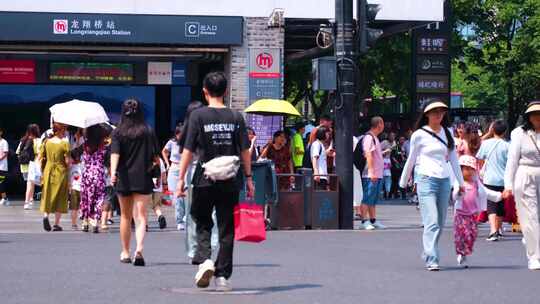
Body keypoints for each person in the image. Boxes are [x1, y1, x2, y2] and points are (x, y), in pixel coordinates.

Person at [175, 72, 254, 292]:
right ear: (226, 91)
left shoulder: (198, 116)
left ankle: (205, 260)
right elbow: (245, 151)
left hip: (204, 178)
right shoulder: (236, 117)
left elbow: (188, 151)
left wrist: (180, 179)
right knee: (227, 228)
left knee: (201, 220)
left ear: (205, 91)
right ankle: (222, 277)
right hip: (230, 179)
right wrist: (249, 178)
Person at [399, 100, 464, 271]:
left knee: (441, 222)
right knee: (432, 220)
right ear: (426, 114)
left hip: (444, 180)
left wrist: (460, 182)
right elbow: (411, 158)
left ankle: (428, 250)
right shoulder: (419, 134)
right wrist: (404, 180)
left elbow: (454, 160)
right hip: (425, 179)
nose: (438, 115)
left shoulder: (448, 132)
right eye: (434, 112)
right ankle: (432, 258)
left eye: (441, 112)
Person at [111, 98, 160, 267]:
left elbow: (115, 154)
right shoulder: (148, 131)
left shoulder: (118, 132)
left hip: (124, 177)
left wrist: (113, 172)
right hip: (143, 177)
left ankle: (125, 252)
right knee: (141, 216)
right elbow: (156, 157)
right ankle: (139, 249)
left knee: (125, 216)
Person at [503, 101, 540, 270]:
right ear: (528, 116)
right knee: (530, 217)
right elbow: (512, 160)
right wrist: (508, 185)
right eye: (534, 114)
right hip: (525, 174)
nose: (537, 117)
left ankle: (531, 238)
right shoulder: (518, 133)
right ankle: (535, 257)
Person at [452, 155, 502, 268]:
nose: (469, 172)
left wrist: (499, 196)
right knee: (460, 235)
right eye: (466, 169)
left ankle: (465, 251)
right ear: (460, 170)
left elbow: (487, 193)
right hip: (460, 213)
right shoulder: (459, 183)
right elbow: (454, 196)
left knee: (472, 235)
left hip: (472, 214)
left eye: (471, 169)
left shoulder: (476, 183)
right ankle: (460, 252)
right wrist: (458, 192)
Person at [476, 119, 509, 241]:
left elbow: (479, 157)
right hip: (504, 180)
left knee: (491, 205)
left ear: (492, 129)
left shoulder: (486, 144)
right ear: (505, 131)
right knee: (500, 205)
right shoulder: (508, 145)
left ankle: (493, 231)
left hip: (489, 179)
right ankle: (498, 230)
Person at [39, 122, 71, 231]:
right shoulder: (64, 143)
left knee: (48, 193)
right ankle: (56, 224)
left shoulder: (47, 142)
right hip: (60, 171)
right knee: (60, 196)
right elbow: (67, 162)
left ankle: (45, 216)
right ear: (61, 130)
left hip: (48, 170)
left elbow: (41, 157)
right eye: (65, 129)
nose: (66, 131)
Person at [80, 124, 108, 234]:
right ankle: (96, 221)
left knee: (86, 198)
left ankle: (85, 222)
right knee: (99, 198)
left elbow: (77, 157)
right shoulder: (103, 147)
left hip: (87, 175)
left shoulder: (85, 146)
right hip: (99, 175)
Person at [361, 116, 385, 230]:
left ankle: (373, 220)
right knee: (367, 197)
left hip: (377, 173)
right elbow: (368, 154)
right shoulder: (369, 137)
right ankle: (364, 221)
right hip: (371, 174)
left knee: (373, 199)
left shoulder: (375, 137)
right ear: (379, 124)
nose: (383, 126)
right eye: (383, 123)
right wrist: (371, 172)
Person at [162, 124, 185, 230]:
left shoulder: (188, 142)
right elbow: (164, 151)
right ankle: (180, 219)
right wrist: (167, 163)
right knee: (175, 196)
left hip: (185, 169)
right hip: (174, 168)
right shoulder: (172, 142)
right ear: (176, 134)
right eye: (179, 134)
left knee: (185, 195)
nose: (181, 136)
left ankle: (183, 218)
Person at [16, 124, 40, 209]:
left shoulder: (23, 140)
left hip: (24, 165)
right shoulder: (37, 140)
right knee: (30, 183)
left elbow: (17, 152)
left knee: (30, 182)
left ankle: (30, 200)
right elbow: (39, 153)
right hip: (33, 164)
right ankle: (27, 201)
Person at [148, 157, 167, 230]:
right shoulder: (160, 160)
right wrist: (165, 184)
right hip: (158, 187)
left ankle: (145, 225)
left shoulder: (144, 158)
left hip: (146, 186)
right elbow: (163, 174)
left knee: (145, 208)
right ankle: (160, 216)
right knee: (156, 205)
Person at [69, 147, 82, 231]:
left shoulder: (70, 168)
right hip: (82, 188)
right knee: (83, 207)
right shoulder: (83, 165)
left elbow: (68, 179)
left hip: (73, 189)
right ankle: (85, 222)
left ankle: (74, 224)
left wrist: (69, 188)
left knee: (74, 208)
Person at [0, 127, 9, 206]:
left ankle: (4, 198)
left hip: (2, 167)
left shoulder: (4, 142)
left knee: (1, 182)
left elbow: (6, 153)